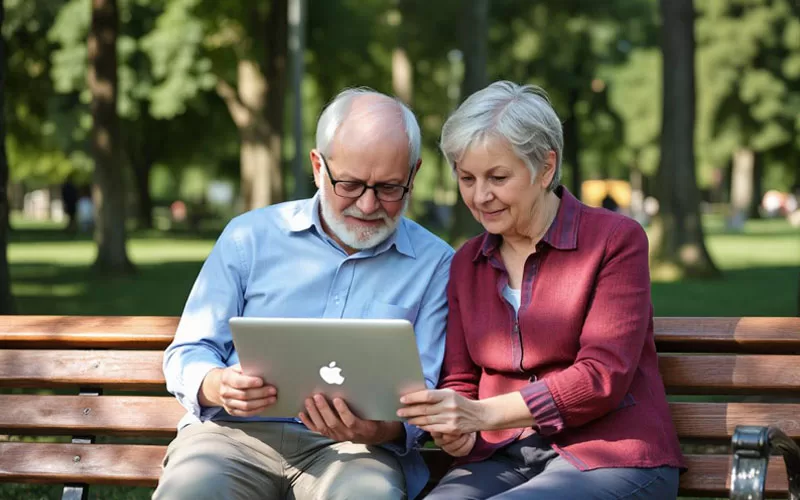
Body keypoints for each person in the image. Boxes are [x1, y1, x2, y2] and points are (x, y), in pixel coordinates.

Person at [153, 88, 454, 500]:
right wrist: (218, 383)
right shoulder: (249, 238)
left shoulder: (435, 264)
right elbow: (188, 350)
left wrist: (379, 429)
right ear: (318, 166)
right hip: (231, 438)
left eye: (388, 188)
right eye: (349, 184)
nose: (367, 206)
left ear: (413, 175)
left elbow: (427, 387)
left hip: (359, 451)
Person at [398, 81, 685, 499]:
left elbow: (602, 376)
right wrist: (454, 429)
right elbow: (460, 378)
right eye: (467, 178)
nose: (481, 196)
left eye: (498, 177)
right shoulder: (466, 263)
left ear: (545, 168)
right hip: (501, 457)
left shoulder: (614, 240)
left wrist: (482, 413)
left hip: (609, 455)